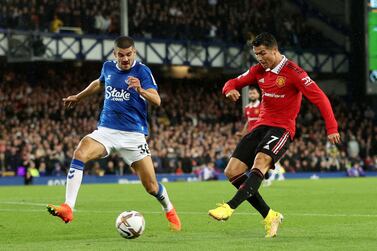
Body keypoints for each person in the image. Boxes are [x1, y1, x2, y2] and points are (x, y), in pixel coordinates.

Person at [208, 32, 340, 237]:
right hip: (260, 127)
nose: (260, 58)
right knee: (232, 171)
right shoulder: (259, 70)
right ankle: (270, 216)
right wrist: (229, 91)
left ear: (275, 50)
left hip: (283, 128)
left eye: (263, 53)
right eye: (256, 54)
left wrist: (331, 128)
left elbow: (320, 98)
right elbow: (231, 82)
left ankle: (229, 207)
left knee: (260, 161)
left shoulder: (294, 71)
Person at [47, 36, 181, 231]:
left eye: (128, 54)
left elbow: (157, 100)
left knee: (151, 187)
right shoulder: (108, 67)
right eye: (121, 55)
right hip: (106, 131)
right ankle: (68, 207)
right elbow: (99, 83)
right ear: (114, 54)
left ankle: (169, 209)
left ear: (134, 52)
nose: (125, 58)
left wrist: (141, 89)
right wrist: (78, 97)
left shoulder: (142, 71)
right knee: (80, 152)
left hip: (133, 136)